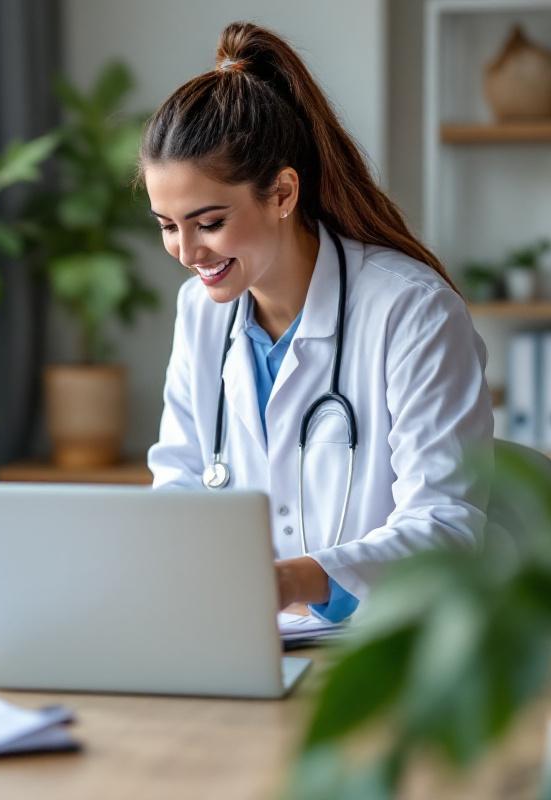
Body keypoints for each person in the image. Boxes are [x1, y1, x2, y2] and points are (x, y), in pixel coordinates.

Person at [143, 22, 493, 621]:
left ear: (282, 193)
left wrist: (290, 582)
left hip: (381, 648)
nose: (187, 252)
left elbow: (445, 524)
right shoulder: (200, 312)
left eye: (208, 222)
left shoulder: (411, 310)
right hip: (236, 639)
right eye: (168, 225)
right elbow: (179, 484)